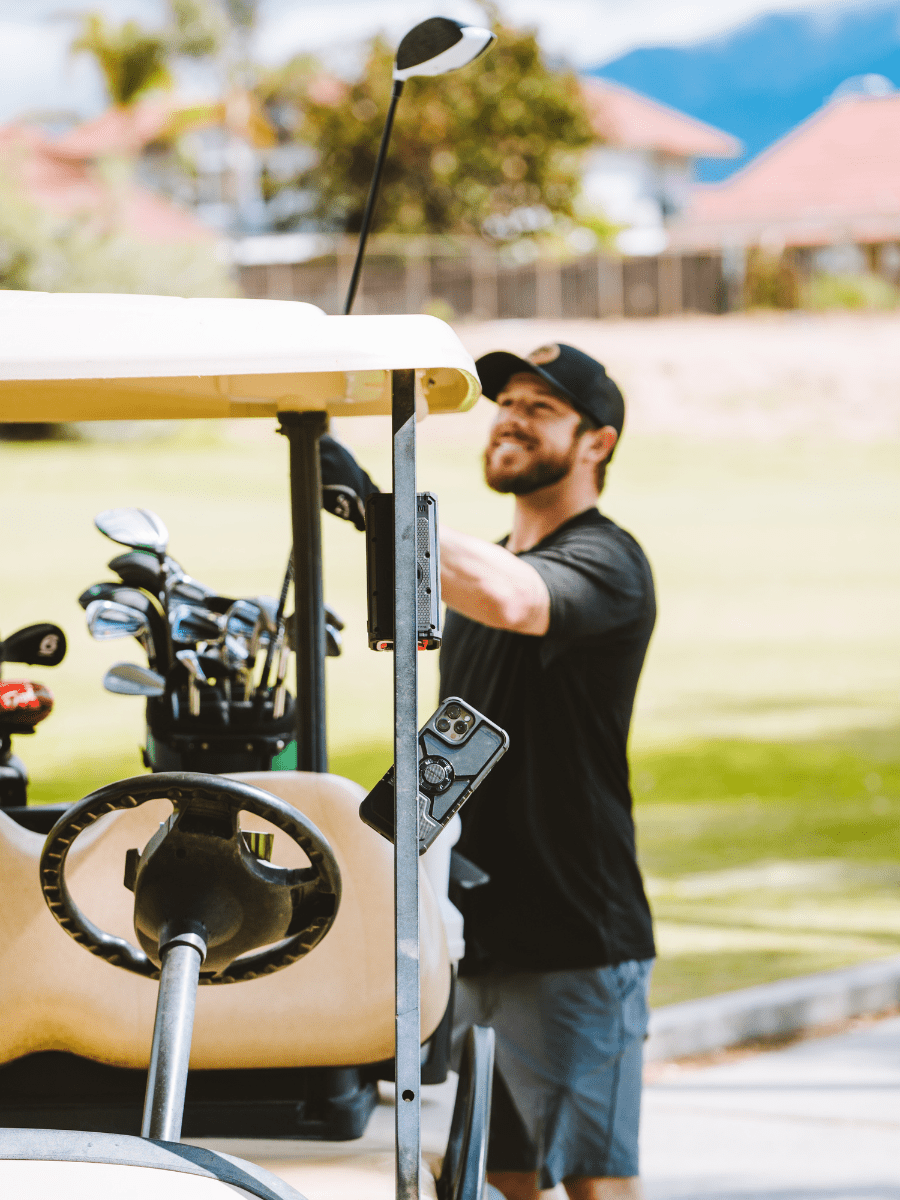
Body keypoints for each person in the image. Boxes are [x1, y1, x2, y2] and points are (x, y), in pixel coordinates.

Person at [439, 343, 657, 1200]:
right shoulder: (484, 568)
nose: (510, 418)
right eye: (506, 402)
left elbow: (521, 598)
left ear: (596, 441)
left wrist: (393, 514)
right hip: (476, 930)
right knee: (503, 1180)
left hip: (574, 935)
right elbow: (456, 733)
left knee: (595, 1185)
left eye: (541, 407)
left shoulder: (606, 561)